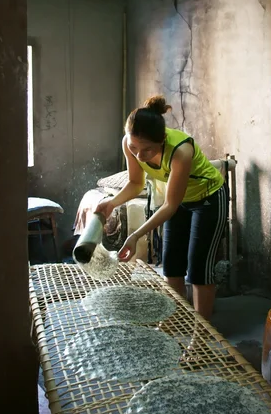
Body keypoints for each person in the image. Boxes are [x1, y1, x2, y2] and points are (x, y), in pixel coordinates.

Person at [95, 95, 229, 320]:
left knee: (199, 270)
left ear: (162, 141)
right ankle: (179, 320)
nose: (139, 155)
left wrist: (136, 235)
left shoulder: (180, 151)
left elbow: (169, 205)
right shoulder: (130, 143)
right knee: (172, 266)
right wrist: (112, 202)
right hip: (180, 201)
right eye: (133, 147)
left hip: (208, 199)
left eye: (146, 150)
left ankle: (202, 333)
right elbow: (136, 183)